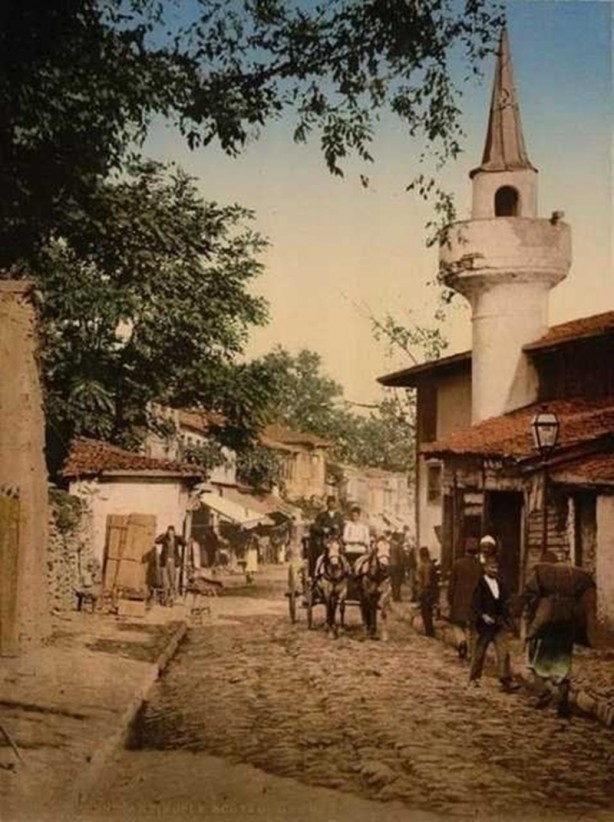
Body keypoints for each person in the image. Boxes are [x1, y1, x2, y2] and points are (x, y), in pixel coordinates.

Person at [521, 552, 596, 718]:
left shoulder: (544, 586)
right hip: (567, 626)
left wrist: (529, 628)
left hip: (548, 628)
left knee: (536, 666)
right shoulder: (570, 586)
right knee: (563, 667)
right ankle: (563, 703)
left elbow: (529, 598)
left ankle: (544, 693)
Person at [468, 557, 519, 692]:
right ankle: (474, 678)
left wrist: (507, 617)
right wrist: (483, 616)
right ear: (485, 568)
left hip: (498, 623)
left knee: (504, 651)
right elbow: (475, 604)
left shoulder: (500, 583)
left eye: (496, 568)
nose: (494, 570)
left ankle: (505, 679)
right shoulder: (480, 584)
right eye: (491, 568)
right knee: (480, 652)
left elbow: (504, 603)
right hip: (484, 625)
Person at [447, 540, 482, 661]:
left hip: (459, 600)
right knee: (473, 628)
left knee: (456, 624)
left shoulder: (457, 564)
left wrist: (450, 598)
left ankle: (462, 642)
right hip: (475, 602)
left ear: (465, 550)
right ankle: (472, 654)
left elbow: (452, 584)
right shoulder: (479, 566)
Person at [154, 525, 185, 606]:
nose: (170, 534)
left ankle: (172, 597)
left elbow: (185, 543)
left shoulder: (177, 539)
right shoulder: (164, 539)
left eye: (172, 533)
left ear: (174, 533)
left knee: (172, 580)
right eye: (169, 533)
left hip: (173, 562)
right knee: (165, 581)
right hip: (165, 562)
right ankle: (165, 597)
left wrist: (178, 535)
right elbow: (156, 541)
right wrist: (163, 535)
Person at [416, 546, 439, 637]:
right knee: (429, 611)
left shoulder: (422, 565)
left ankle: (429, 631)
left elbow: (425, 581)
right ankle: (429, 631)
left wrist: (421, 592)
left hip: (425, 591)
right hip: (431, 590)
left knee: (426, 612)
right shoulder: (430, 564)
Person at [388, 533, 407, 602]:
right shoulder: (399, 546)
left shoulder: (389, 545)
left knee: (392, 582)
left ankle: (393, 596)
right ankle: (397, 597)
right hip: (397, 565)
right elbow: (401, 557)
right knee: (397, 582)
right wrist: (403, 565)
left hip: (390, 565)